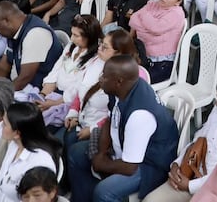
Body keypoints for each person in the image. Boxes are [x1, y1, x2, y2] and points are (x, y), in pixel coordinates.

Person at [69, 55, 180, 202]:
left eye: (104, 76)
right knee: (75, 153)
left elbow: (129, 167)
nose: (100, 79)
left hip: (149, 164)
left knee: (104, 192)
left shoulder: (139, 116)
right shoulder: (123, 88)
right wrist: (101, 153)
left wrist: (101, 163)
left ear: (118, 82)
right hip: (124, 145)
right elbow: (110, 119)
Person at [143, 71, 217, 202]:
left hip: (216, 192)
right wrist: (177, 164)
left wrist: (189, 186)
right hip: (190, 173)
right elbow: (198, 139)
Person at [129, 0, 188, 83]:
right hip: (143, 56)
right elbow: (133, 20)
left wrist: (144, 16)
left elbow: (156, 28)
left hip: (162, 63)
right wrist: (150, 30)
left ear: (178, 2)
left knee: (132, 83)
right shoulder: (152, 4)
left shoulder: (176, 14)